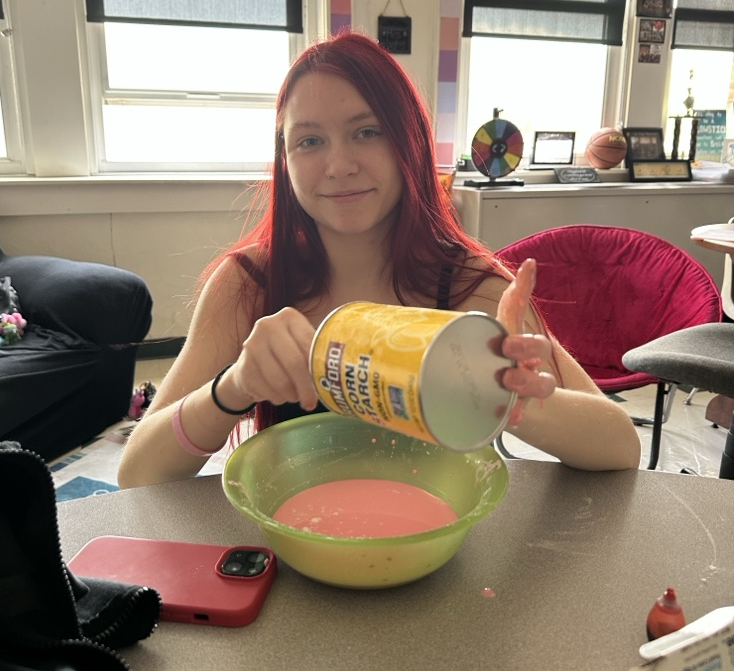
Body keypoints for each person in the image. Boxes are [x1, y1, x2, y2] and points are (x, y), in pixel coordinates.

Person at [118, 31, 640, 487]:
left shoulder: (469, 286)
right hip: (297, 556)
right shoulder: (249, 283)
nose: (340, 165)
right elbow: (137, 472)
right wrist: (234, 387)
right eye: (309, 141)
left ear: (408, 142)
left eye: (367, 132)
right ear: (285, 159)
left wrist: (510, 400)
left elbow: (621, 447)